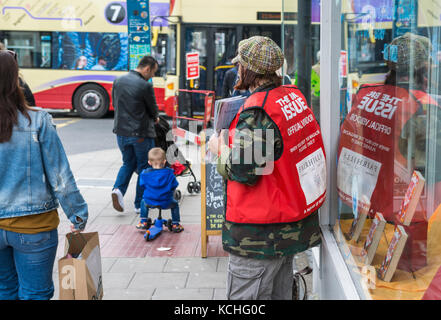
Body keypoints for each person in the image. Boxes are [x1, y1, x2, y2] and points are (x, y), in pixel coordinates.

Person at [208, 36, 326, 300]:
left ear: (248, 69)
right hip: (289, 227)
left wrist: (220, 148)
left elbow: (242, 169)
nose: (238, 70)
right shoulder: (292, 97)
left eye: (240, 65)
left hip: (259, 235)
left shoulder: (259, 111)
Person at [0, 50, 88, 300]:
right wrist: (78, 214)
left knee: (4, 290)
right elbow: (60, 176)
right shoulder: (37, 121)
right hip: (34, 226)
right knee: (35, 294)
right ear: (15, 80)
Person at [337, 32, 441, 223]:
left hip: (366, 208)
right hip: (410, 219)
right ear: (422, 68)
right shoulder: (421, 108)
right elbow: (432, 171)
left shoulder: (366, 94)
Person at [111, 55, 160, 214]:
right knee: (145, 167)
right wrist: (156, 118)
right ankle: (139, 204)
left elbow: (115, 103)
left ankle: (118, 190)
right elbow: (153, 110)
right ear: (147, 68)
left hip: (121, 132)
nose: (152, 76)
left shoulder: (118, 80)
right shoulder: (145, 85)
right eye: (153, 72)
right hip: (140, 133)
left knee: (128, 163)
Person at [136, 148, 184, 233]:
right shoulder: (169, 173)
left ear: (149, 163)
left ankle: (143, 221)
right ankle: (175, 223)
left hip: (150, 201)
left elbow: (142, 185)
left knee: (143, 201)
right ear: (165, 161)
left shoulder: (145, 173)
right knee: (175, 204)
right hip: (166, 201)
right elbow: (174, 185)